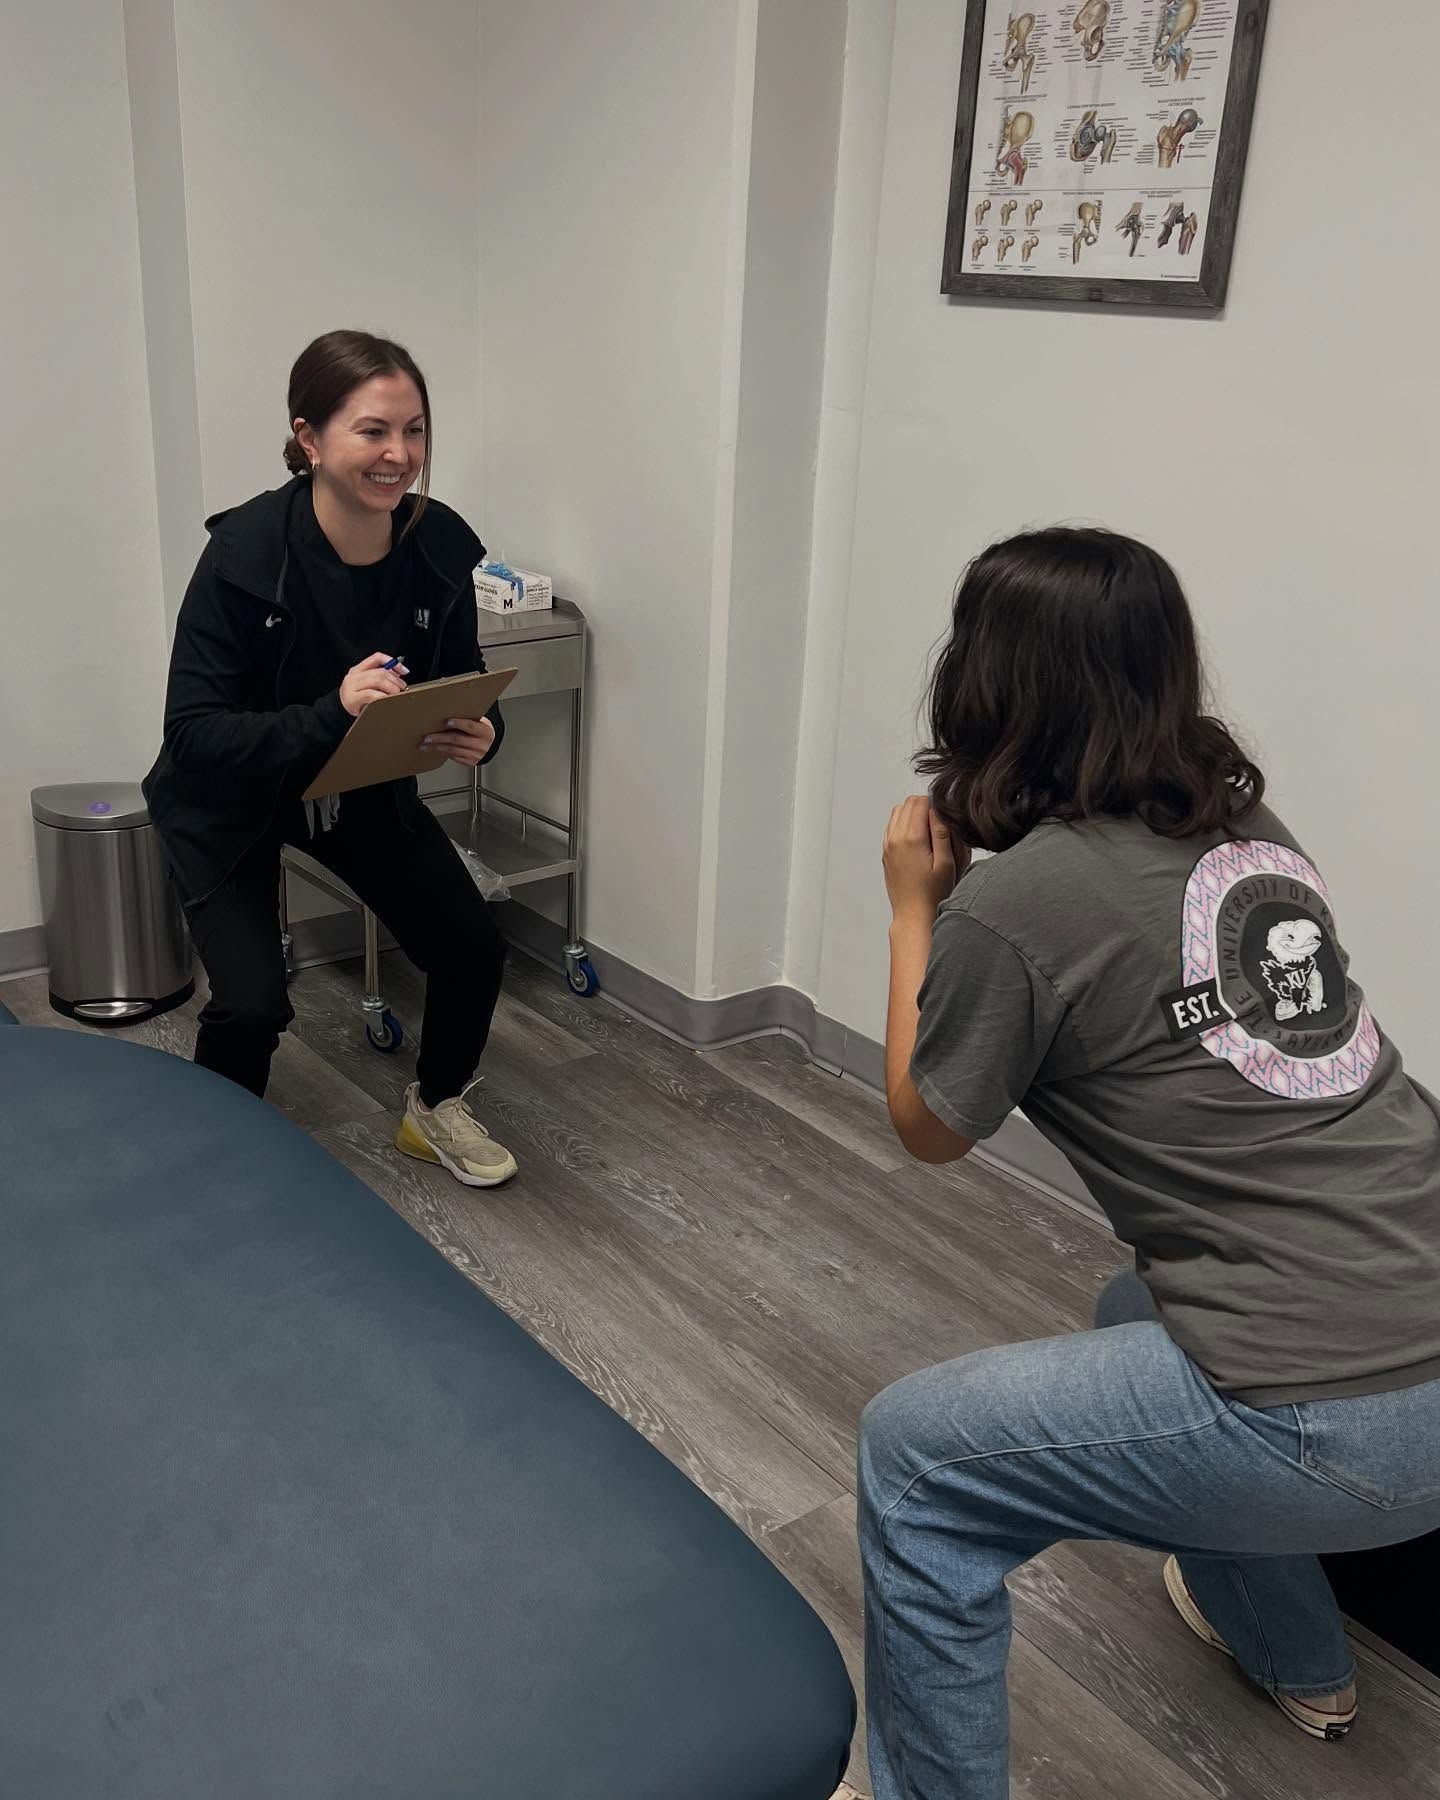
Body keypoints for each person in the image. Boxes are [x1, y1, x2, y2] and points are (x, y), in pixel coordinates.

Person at [863, 528, 1440, 1799]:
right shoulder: (1248, 829)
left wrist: (914, 908)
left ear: (990, 684)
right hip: (1421, 1334)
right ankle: (1305, 1664)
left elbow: (926, 1126)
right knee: (1134, 1307)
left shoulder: (1021, 904)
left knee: (914, 1461)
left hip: (1340, 1416)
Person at [144, 329, 517, 1188]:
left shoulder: (439, 545)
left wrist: (484, 728)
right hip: (229, 796)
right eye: (373, 431)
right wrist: (329, 710)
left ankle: (436, 1108)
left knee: (470, 945)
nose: (399, 455)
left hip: (351, 788)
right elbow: (193, 735)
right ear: (309, 439)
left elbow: (463, 679)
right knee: (252, 1001)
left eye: (414, 430)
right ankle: (220, 1147)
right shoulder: (242, 557)